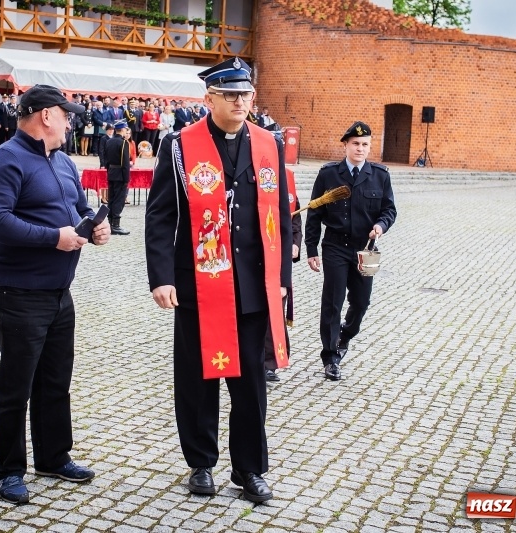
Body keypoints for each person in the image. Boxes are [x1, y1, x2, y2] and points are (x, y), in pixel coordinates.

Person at [145, 57, 291, 503]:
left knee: (249, 385)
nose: (240, 101)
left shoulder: (270, 143)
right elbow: (160, 215)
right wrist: (162, 277)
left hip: (249, 287)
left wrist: (282, 277)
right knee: (197, 382)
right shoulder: (179, 144)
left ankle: (249, 470)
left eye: (245, 94)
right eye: (230, 95)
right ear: (208, 99)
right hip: (196, 287)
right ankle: (201, 464)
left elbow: (280, 214)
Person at [0, 84, 111, 505]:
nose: (71, 121)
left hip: (58, 291)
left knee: (56, 380)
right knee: (16, 385)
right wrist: (53, 237)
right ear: (45, 116)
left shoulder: (64, 162)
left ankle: (54, 456)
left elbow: (79, 207)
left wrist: (94, 223)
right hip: (17, 290)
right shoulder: (3, 161)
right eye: (66, 114)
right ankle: (9, 470)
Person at [304, 121, 397, 381]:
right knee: (332, 303)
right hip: (335, 246)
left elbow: (389, 210)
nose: (360, 148)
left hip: (365, 249)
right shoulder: (328, 174)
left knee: (361, 301)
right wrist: (311, 249)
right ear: (346, 145)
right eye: (355, 144)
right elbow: (314, 212)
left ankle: (346, 335)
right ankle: (331, 357)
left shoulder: (380, 175)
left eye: (365, 144)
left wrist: (380, 225)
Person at [264, 167, 302, 382]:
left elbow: (294, 219)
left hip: (278, 256)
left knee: (275, 307)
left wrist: (295, 244)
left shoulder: (286, 177)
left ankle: (270, 362)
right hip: (250, 252)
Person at [104, 121, 131, 236]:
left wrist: (109, 170)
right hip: (120, 174)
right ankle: (115, 225)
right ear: (123, 130)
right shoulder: (124, 143)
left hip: (111, 172)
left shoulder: (109, 141)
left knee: (112, 198)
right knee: (119, 200)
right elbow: (125, 162)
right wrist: (126, 178)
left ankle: (111, 223)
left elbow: (106, 159)